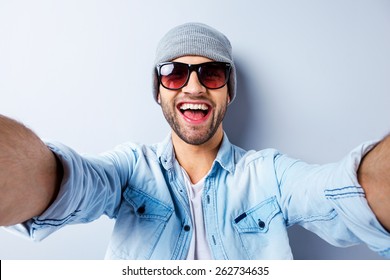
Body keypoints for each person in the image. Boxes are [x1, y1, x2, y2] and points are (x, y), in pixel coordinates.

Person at [0, 22, 389, 260]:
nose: (194, 86)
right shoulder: (130, 169)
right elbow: (66, 182)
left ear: (228, 89)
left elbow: (339, 194)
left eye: (212, 73)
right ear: (158, 91)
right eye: (174, 74)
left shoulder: (269, 175)